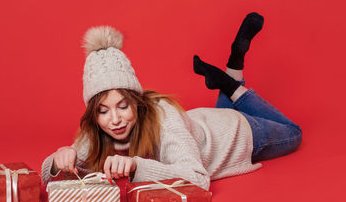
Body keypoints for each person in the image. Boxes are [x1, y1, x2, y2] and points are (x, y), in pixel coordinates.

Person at [41, 12, 302, 191]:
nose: (115, 119)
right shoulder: (100, 129)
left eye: (123, 106)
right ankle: (232, 69)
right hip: (203, 124)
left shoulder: (163, 117)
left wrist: (135, 166)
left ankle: (232, 85)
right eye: (103, 111)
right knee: (223, 110)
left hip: (236, 133)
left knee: (294, 133)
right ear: (94, 116)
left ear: (137, 103)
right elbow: (48, 177)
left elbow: (198, 179)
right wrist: (58, 159)